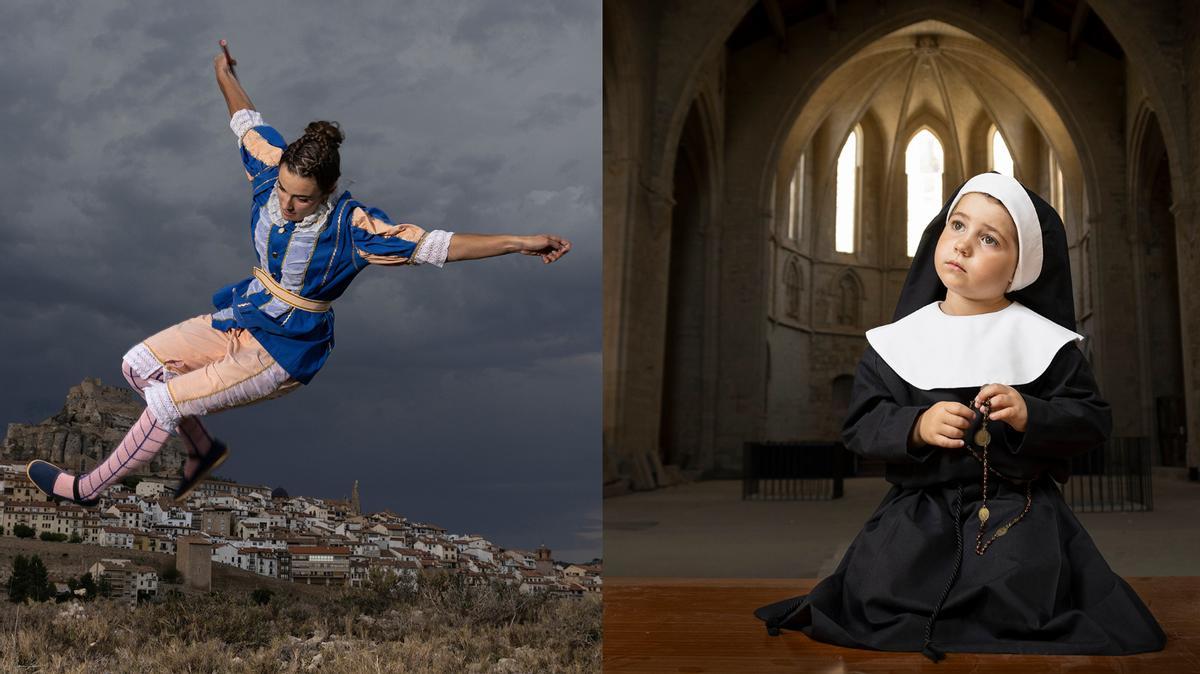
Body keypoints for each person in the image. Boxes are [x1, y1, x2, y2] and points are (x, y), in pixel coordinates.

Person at [26, 41, 571, 507]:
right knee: (138, 364)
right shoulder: (270, 168)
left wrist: (521, 241)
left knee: (166, 402)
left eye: (302, 199)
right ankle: (201, 451)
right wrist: (224, 73)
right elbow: (245, 120)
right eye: (284, 191)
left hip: (283, 350)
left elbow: (436, 245)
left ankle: (84, 490)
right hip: (244, 311)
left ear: (327, 192)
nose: (287, 204)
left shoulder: (355, 228)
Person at [753, 172, 1166, 661]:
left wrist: (1029, 414)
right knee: (880, 591)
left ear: (1021, 268)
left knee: (1019, 593)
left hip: (1017, 508)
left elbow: (1092, 421)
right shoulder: (896, 342)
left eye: (989, 238)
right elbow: (862, 424)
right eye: (957, 225)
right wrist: (916, 426)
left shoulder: (1046, 344)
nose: (964, 245)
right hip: (916, 510)